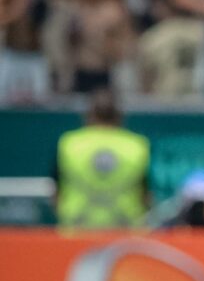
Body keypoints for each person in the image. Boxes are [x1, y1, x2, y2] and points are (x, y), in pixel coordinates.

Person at [55, 89, 150, 229]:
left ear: (88, 115)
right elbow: (146, 195)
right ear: (119, 116)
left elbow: (56, 192)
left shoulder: (69, 144)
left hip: (76, 232)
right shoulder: (137, 145)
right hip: (126, 234)